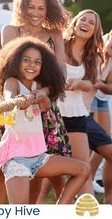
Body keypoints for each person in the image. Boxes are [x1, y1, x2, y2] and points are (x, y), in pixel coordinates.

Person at [0, 0, 71, 204]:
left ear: (49, 10)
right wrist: (29, 93)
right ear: (22, 7)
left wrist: (44, 91)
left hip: (45, 107)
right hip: (16, 101)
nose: (35, 13)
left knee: (38, 167)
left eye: (41, 8)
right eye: (31, 7)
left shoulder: (55, 34)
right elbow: (12, 67)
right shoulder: (11, 30)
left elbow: (60, 73)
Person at [0, 36, 89, 204]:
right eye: (26, 60)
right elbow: (8, 98)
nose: (32, 65)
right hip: (16, 158)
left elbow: (45, 107)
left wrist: (42, 95)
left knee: (83, 169)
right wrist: (19, 100)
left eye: (37, 62)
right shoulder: (12, 82)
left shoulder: (39, 86)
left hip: (39, 157)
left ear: (43, 67)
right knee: (21, 211)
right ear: (15, 62)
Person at [64, 10, 112, 204]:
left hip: (81, 115)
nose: (86, 23)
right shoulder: (60, 45)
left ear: (96, 30)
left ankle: (104, 201)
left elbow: (94, 84)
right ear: (74, 23)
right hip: (58, 114)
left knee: (83, 165)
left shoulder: (95, 56)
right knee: (61, 172)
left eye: (91, 22)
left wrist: (82, 84)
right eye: (82, 19)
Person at [90, 36, 112, 193]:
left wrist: (101, 85)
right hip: (89, 98)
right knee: (93, 142)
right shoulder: (96, 52)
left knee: (105, 140)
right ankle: (85, 179)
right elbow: (92, 80)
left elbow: (109, 88)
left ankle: (88, 179)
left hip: (102, 99)